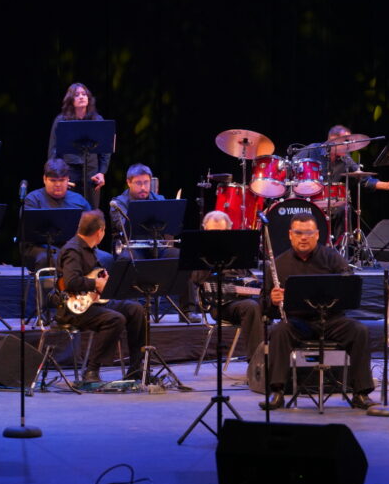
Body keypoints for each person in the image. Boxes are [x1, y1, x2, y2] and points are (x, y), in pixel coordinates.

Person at [260, 213, 375, 410]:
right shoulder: (278, 264)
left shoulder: (332, 258)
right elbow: (265, 308)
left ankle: (360, 394)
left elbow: (350, 289)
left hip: (331, 319)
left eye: (308, 233)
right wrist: (271, 300)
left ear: (317, 234)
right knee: (279, 331)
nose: (303, 237)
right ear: (290, 235)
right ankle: (277, 392)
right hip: (298, 322)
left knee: (360, 331)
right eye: (298, 233)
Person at [56, 210, 146, 383]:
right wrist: (96, 284)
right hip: (71, 309)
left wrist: (103, 280)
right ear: (100, 232)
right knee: (115, 319)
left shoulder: (92, 250)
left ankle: (136, 368)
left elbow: (92, 276)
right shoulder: (73, 251)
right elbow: (71, 282)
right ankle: (91, 371)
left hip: (94, 304)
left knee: (135, 309)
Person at [110, 163, 196, 321]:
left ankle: (187, 310)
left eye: (146, 183)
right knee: (127, 260)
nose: (143, 187)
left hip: (157, 246)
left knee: (184, 258)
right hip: (134, 247)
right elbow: (122, 227)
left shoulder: (159, 199)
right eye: (139, 183)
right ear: (129, 182)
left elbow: (171, 227)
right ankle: (133, 310)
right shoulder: (118, 203)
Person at [293, 125, 389, 242]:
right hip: (307, 199)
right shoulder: (312, 150)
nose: (349, 145)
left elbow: (363, 178)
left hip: (329, 201)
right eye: (346, 141)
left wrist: (386, 185)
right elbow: (292, 165)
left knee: (344, 208)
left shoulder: (345, 159)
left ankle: (341, 249)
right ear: (333, 139)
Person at [192, 210, 263, 360]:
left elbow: (248, 278)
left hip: (243, 299)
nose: (218, 237)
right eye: (213, 233)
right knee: (250, 307)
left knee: (270, 302)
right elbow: (197, 281)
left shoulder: (237, 251)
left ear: (229, 230)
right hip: (220, 305)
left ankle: (278, 364)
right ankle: (257, 362)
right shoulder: (199, 253)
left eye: (222, 232)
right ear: (205, 230)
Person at [23, 158, 112, 271]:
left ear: (68, 179)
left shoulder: (79, 200)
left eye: (62, 180)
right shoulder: (33, 199)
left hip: (74, 247)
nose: (58, 184)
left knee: (107, 258)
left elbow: (92, 228)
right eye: (53, 180)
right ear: (44, 179)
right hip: (40, 247)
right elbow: (29, 232)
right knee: (51, 258)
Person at [47, 83, 110, 209]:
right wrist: (59, 175)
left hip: (92, 172)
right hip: (69, 172)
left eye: (84, 94)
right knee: (71, 210)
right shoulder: (61, 120)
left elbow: (105, 150)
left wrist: (102, 172)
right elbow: (53, 151)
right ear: (71, 100)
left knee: (91, 212)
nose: (81, 97)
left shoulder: (97, 119)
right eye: (77, 95)